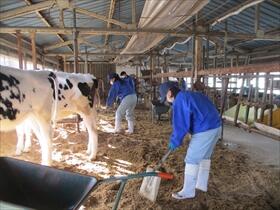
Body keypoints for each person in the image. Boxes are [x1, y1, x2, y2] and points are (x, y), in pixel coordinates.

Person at [165, 86, 221, 200]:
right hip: (216, 126)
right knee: (205, 156)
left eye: (166, 97)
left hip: (204, 129)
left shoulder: (180, 99)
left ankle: (188, 191)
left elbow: (181, 124)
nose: (167, 101)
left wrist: (175, 141)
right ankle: (201, 185)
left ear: (170, 93)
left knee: (191, 158)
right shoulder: (192, 94)